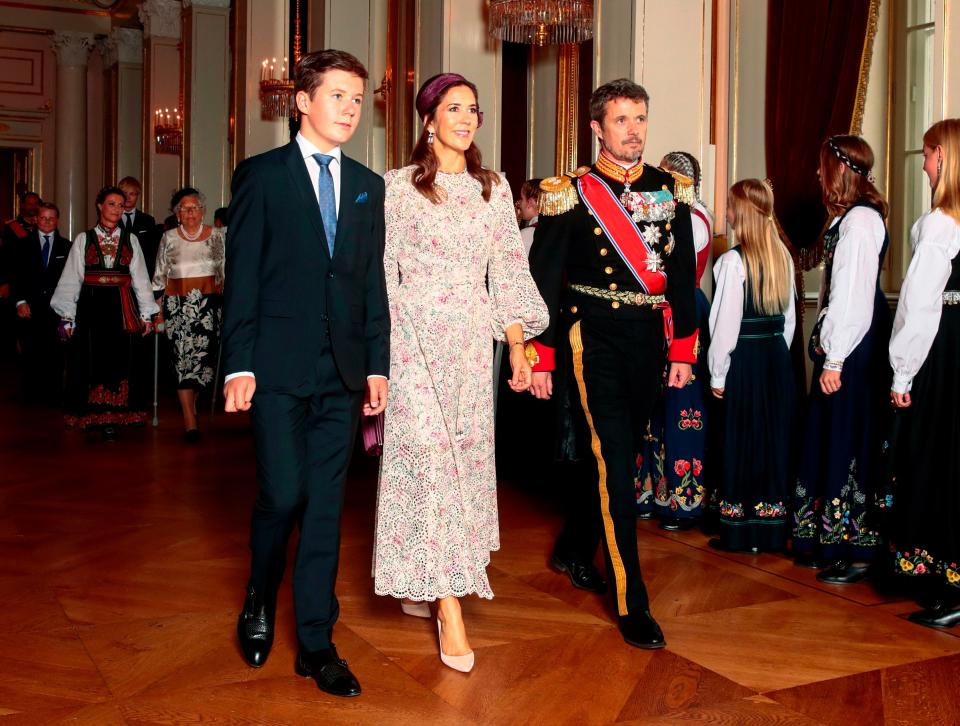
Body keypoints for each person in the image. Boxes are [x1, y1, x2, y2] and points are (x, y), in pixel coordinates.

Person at [222, 49, 389, 697]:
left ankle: (316, 641)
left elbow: (370, 281)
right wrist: (238, 362)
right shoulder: (262, 176)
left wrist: (377, 364)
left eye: (357, 98)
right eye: (338, 95)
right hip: (274, 368)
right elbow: (244, 280)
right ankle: (259, 593)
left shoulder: (369, 185)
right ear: (302, 101)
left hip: (342, 373)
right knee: (283, 493)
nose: (349, 108)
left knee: (324, 508)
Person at [373, 73, 546, 673]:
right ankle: (450, 608)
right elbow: (383, 275)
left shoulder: (492, 190)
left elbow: (507, 269)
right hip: (413, 343)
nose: (468, 117)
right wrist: (380, 363)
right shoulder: (397, 189)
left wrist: (519, 347)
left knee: (460, 465)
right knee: (428, 461)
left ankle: (432, 576)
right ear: (429, 120)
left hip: (472, 349)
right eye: (455, 108)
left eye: (474, 108)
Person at [528, 78, 698, 649]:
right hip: (591, 338)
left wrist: (681, 351)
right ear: (597, 127)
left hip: (648, 340)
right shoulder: (569, 192)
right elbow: (545, 281)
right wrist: (543, 356)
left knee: (613, 461)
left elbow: (680, 277)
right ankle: (633, 603)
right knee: (614, 460)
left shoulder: (668, 189)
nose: (634, 130)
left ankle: (575, 543)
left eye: (641, 118)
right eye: (622, 120)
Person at [793, 136, 891, 581]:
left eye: (821, 167)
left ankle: (855, 547)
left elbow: (852, 296)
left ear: (838, 170)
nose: (816, 174)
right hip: (848, 344)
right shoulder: (849, 220)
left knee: (851, 437)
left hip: (855, 347)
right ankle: (826, 540)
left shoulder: (862, 223)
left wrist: (834, 360)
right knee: (832, 434)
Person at [889, 118, 960, 629]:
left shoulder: (939, 224)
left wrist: (902, 374)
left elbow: (920, 307)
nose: (923, 162)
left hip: (945, 353)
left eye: (928, 152)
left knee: (937, 460)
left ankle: (948, 586)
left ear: (944, 157)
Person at [708, 179, 795, 553]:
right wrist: (775, 356)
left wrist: (718, 372)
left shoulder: (733, 261)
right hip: (776, 359)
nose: (726, 213)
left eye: (729, 207)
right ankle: (770, 530)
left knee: (740, 440)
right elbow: (788, 322)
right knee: (772, 441)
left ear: (740, 212)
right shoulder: (783, 258)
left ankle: (740, 531)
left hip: (744, 360)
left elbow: (724, 325)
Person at [636, 151, 712, 530]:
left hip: (681, 311)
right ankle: (653, 490)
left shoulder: (695, 220)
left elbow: (673, 272)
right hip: (661, 311)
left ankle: (685, 498)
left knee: (683, 409)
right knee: (655, 406)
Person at [51, 186, 158, 440]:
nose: (117, 209)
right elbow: (71, 278)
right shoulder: (83, 239)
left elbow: (141, 278)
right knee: (91, 357)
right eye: (112, 204)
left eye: (121, 205)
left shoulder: (131, 239)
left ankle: (117, 413)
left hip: (121, 304)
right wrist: (68, 315)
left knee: (120, 357)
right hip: (91, 304)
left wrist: (146, 314)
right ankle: (93, 414)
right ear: (100, 206)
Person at [152, 187, 225, 441]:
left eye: (195, 207)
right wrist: (157, 312)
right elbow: (159, 276)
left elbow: (224, 273)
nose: (190, 212)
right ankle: (189, 421)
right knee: (182, 364)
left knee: (203, 365)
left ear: (203, 212)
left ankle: (191, 405)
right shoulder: (169, 238)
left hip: (209, 308)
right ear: (177, 214)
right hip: (177, 308)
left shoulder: (217, 236)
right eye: (185, 208)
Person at [9, 202, 71, 403]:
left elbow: (70, 280)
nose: (47, 221)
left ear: (57, 220)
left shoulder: (67, 246)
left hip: (56, 308)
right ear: (36, 219)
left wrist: (67, 310)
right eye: (43, 217)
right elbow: (15, 275)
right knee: (31, 351)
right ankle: (31, 395)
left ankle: (53, 395)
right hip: (30, 306)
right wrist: (19, 302)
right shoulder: (21, 244)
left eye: (51, 218)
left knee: (55, 354)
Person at [117, 177, 159, 278]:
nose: (128, 197)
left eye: (132, 194)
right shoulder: (111, 218)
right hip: (117, 274)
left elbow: (152, 253)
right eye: (124, 193)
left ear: (138, 196)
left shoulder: (148, 220)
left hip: (142, 273)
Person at [518, 178, 543, 256]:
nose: (519, 204)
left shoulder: (527, 234)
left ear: (530, 203)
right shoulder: (557, 229)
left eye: (522, 199)